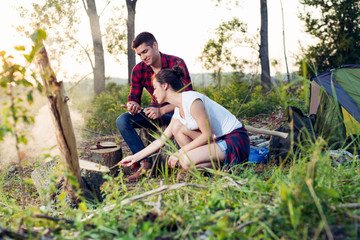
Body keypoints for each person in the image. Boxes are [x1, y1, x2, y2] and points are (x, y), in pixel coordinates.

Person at [119, 65, 250, 175]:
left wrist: (180, 153)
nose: (153, 93)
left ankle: (223, 165)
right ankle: (218, 166)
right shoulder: (178, 109)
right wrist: (134, 157)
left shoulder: (192, 100)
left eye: (155, 88)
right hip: (218, 142)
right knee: (178, 128)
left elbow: (207, 135)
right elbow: (161, 140)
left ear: (164, 86)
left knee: (185, 162)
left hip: (234, 141)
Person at [116, 32, 193, 181]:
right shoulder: (139, 70)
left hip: (176, 111)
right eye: (139, 54)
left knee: (179, 123)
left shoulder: (176, 63)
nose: (143, 57)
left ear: (155, 46)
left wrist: (163, 110)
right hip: (153, 111)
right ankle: (145, 163)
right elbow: (134, 97)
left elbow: (188, 96)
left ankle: (183, 163)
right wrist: (133, 105)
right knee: (123, 120)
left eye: (145, 51)